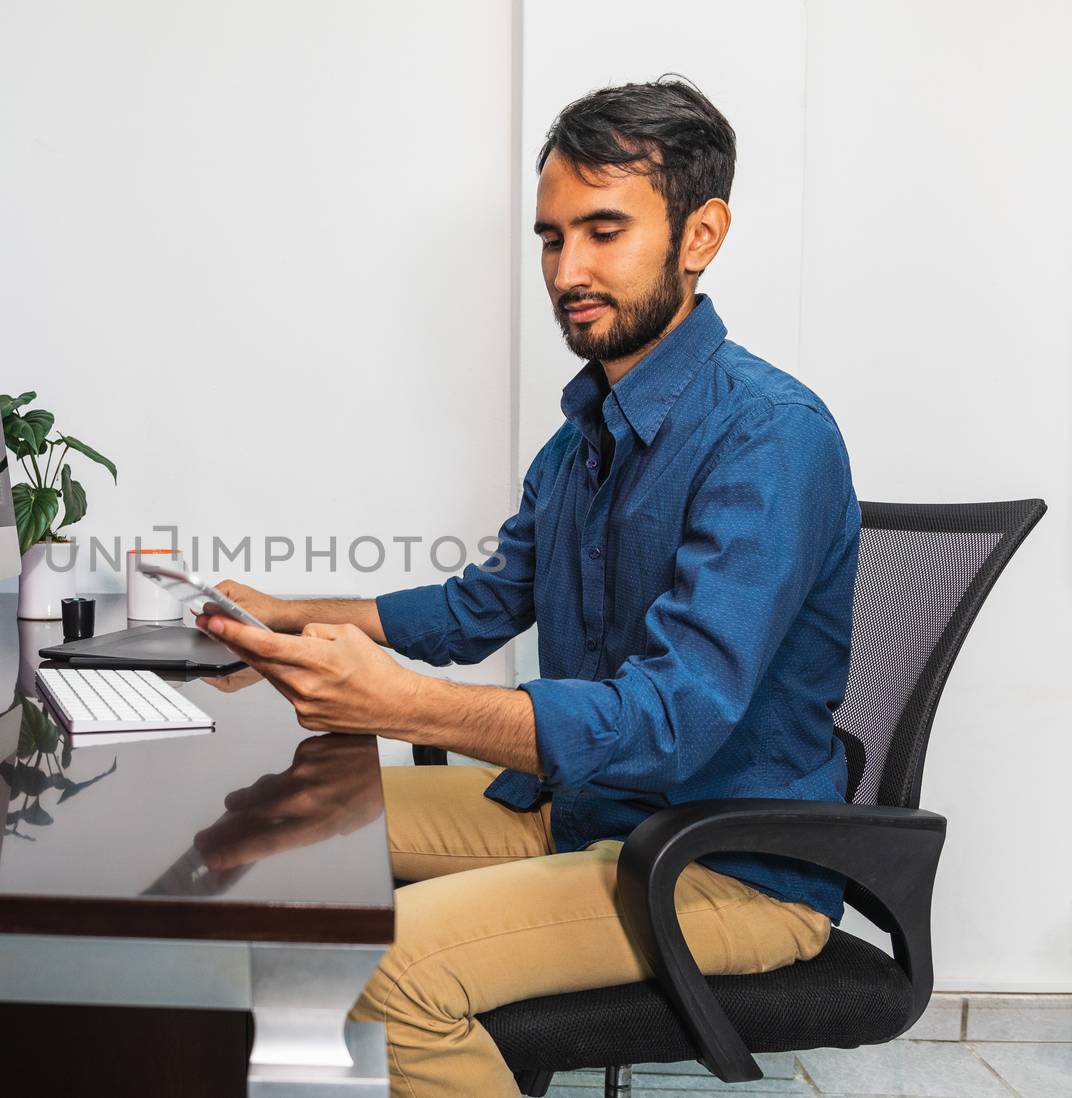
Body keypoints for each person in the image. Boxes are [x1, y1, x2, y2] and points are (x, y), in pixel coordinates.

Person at [199, 77, 859, 1098]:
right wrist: (289, 616)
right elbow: (474, 611)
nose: (569, 269)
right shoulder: (580, 440)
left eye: (603, 230)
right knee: (281, 823)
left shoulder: (770, 437)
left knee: (393, 971)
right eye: (552, 239)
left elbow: (674, 717)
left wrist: (404, 704)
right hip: (592, 810)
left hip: (722, 861)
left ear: (701, 235)